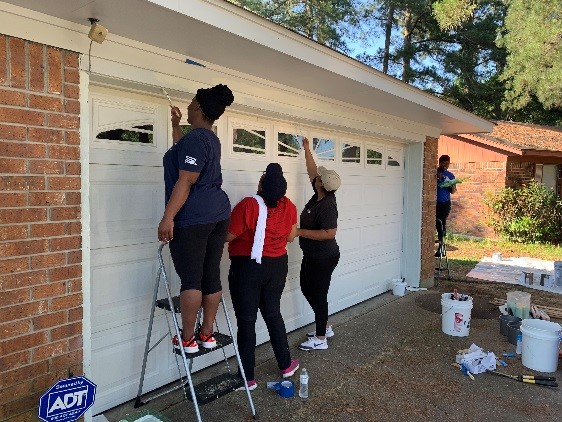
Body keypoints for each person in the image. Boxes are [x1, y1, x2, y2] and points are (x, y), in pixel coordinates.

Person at [158, 84, 234, 353]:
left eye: (191, 104)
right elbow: (184, 156)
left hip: (194, 217)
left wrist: (168, 217)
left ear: (199, 107)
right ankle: (207, 333)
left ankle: (187, 339)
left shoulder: (195, 140)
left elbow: (186, 179)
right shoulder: (209, 139)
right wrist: (175, 125)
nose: (188, 107)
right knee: (211, 275)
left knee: (191, 279)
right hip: (218, 214)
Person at [226, 163, 300, 390]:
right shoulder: (290, 207)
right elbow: (290, 238)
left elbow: (228, 236)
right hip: (277, 266)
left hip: (248, 268)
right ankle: (286, 364)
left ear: (261, 184)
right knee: (273, 313)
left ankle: (247, 378)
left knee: (247, 322)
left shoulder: (249, 205)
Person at [297, 137, 341, 351]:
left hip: (324, 257)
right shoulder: (319, 194)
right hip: (312, 255)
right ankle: (324, 325)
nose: (316, 178)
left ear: (321, 184)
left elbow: (329, 233)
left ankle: (321, 338)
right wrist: (307, 149)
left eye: (319, 178)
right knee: (306, 288)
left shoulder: (327, 206)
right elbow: (312, 170)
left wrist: (298, 232)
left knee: (319, 294)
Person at [435, 154, 456, 257]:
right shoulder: (434, 172)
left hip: (444, 203)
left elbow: (453, 191)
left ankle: (441, 247)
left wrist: (450, 183)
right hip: (433, 203)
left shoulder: (450, 175)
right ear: (439, 163)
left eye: (447, 164)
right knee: (433, 224)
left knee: (441, 224)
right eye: (443, 163)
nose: (445, 166)